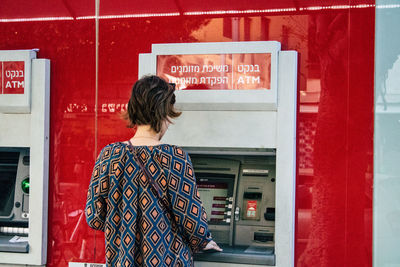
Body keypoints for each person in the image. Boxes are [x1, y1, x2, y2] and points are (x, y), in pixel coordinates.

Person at [85, 75, 222, 266]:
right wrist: (204, 241)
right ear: (163, 113)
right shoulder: (174, 157)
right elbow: (191, 218)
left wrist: (125, 224)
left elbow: (94, 217)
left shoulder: (109, 155)